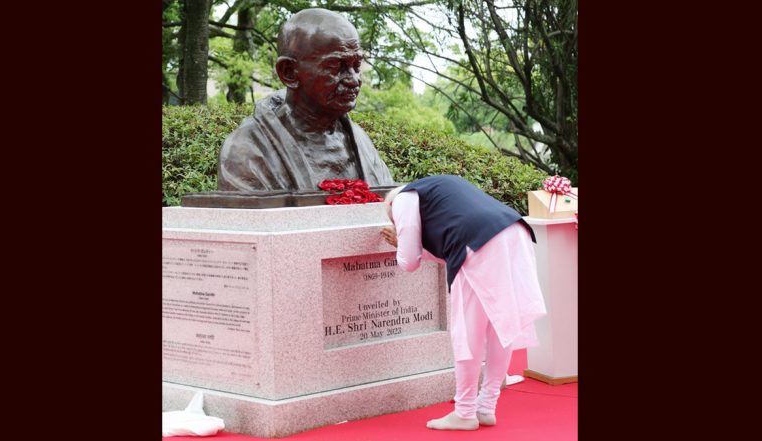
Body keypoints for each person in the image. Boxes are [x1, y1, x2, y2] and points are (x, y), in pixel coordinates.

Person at [380, 175, 547, 431]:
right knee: (500, 327)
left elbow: (408, 261)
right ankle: (486, 406)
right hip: (514, 231)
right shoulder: (441, 188)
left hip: (479, 242)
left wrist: (401, 241)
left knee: (467, 332)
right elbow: (451, 248)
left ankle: (465, 411)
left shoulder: (401, 200)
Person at [218, 8, 394, 192]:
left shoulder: (360, 141)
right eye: (335, 66)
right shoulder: (248, 150)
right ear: (289, 72)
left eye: (356, 65)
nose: (353, 79)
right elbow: (251, 218)